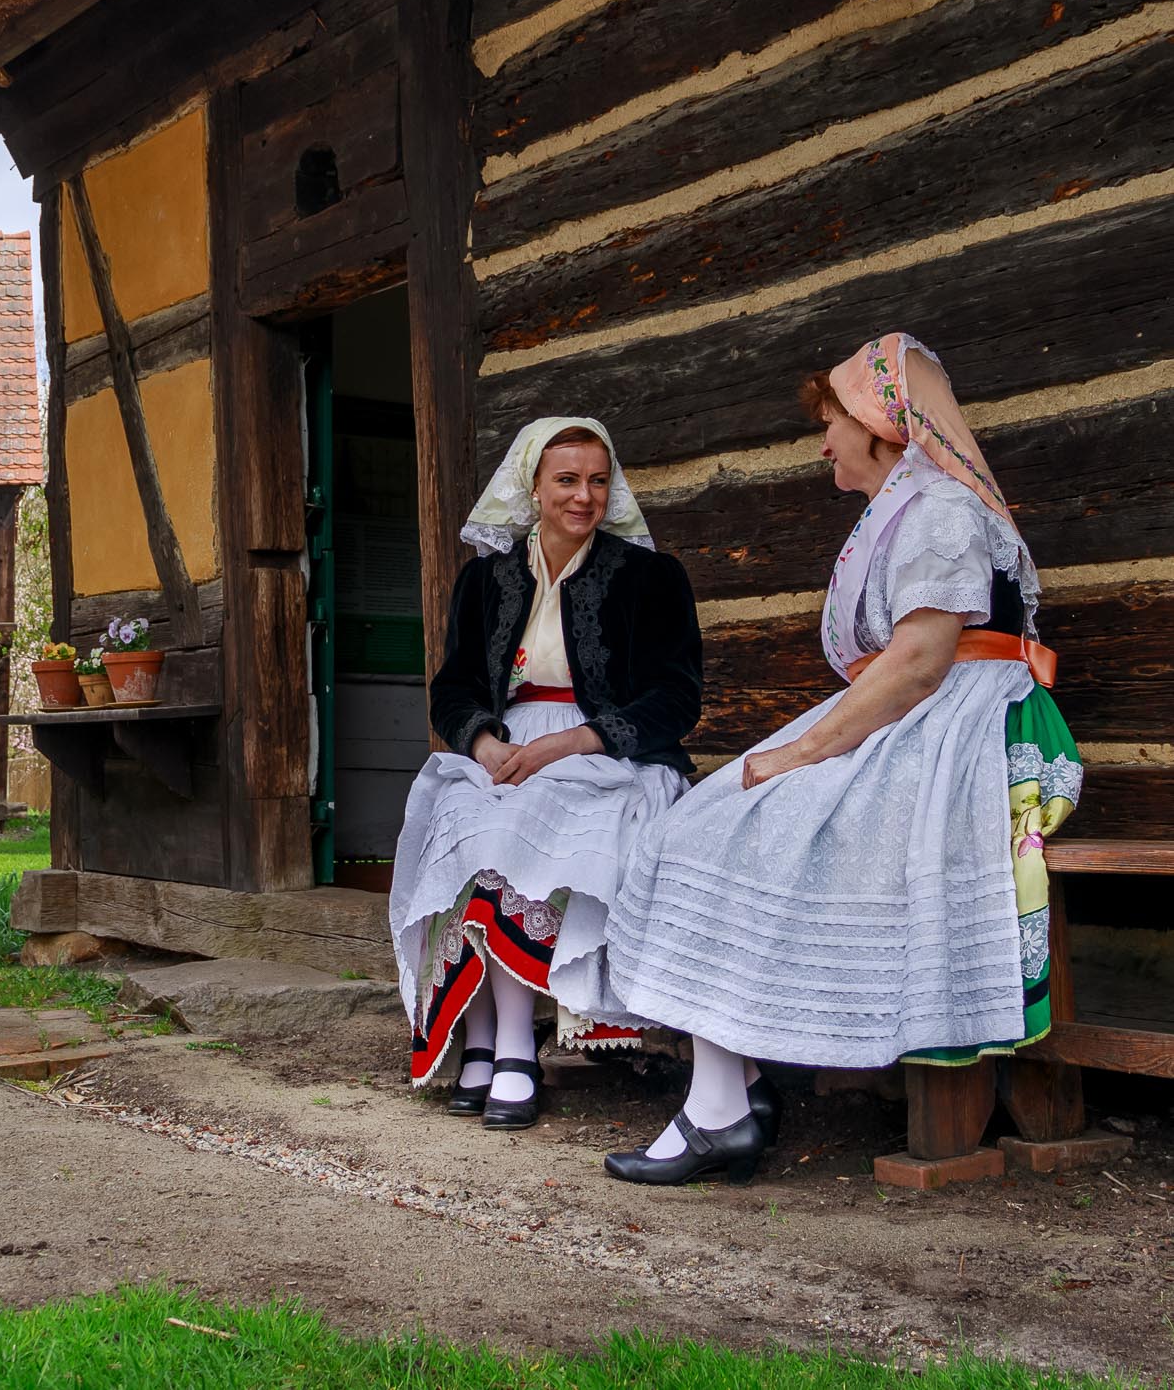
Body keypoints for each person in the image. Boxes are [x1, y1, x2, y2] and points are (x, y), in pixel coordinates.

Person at [601, 333, 1081, 1186]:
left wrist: (800, 755)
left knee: (745, 825)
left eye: (833, 422)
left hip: (962, 724)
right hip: (924, 713)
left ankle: (723, 1107)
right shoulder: (911, 505)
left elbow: (922, 659)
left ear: (882, 425)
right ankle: (727, 1091)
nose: (823, 442)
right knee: (711, 823)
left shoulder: (937, 509)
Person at [390, 417, 702, 1130]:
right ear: (532, 488)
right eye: (566, 480)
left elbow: (677, 698)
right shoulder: (486, 579)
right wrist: (484, 745)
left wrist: (577, 741)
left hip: (605, 755)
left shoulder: (650, 577)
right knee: (465, 818)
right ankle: (487, 1035)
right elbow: (454, 687)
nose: (583, 497)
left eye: (598, 480)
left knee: (516, 828)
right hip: (501, 748)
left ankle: (508, 1049)